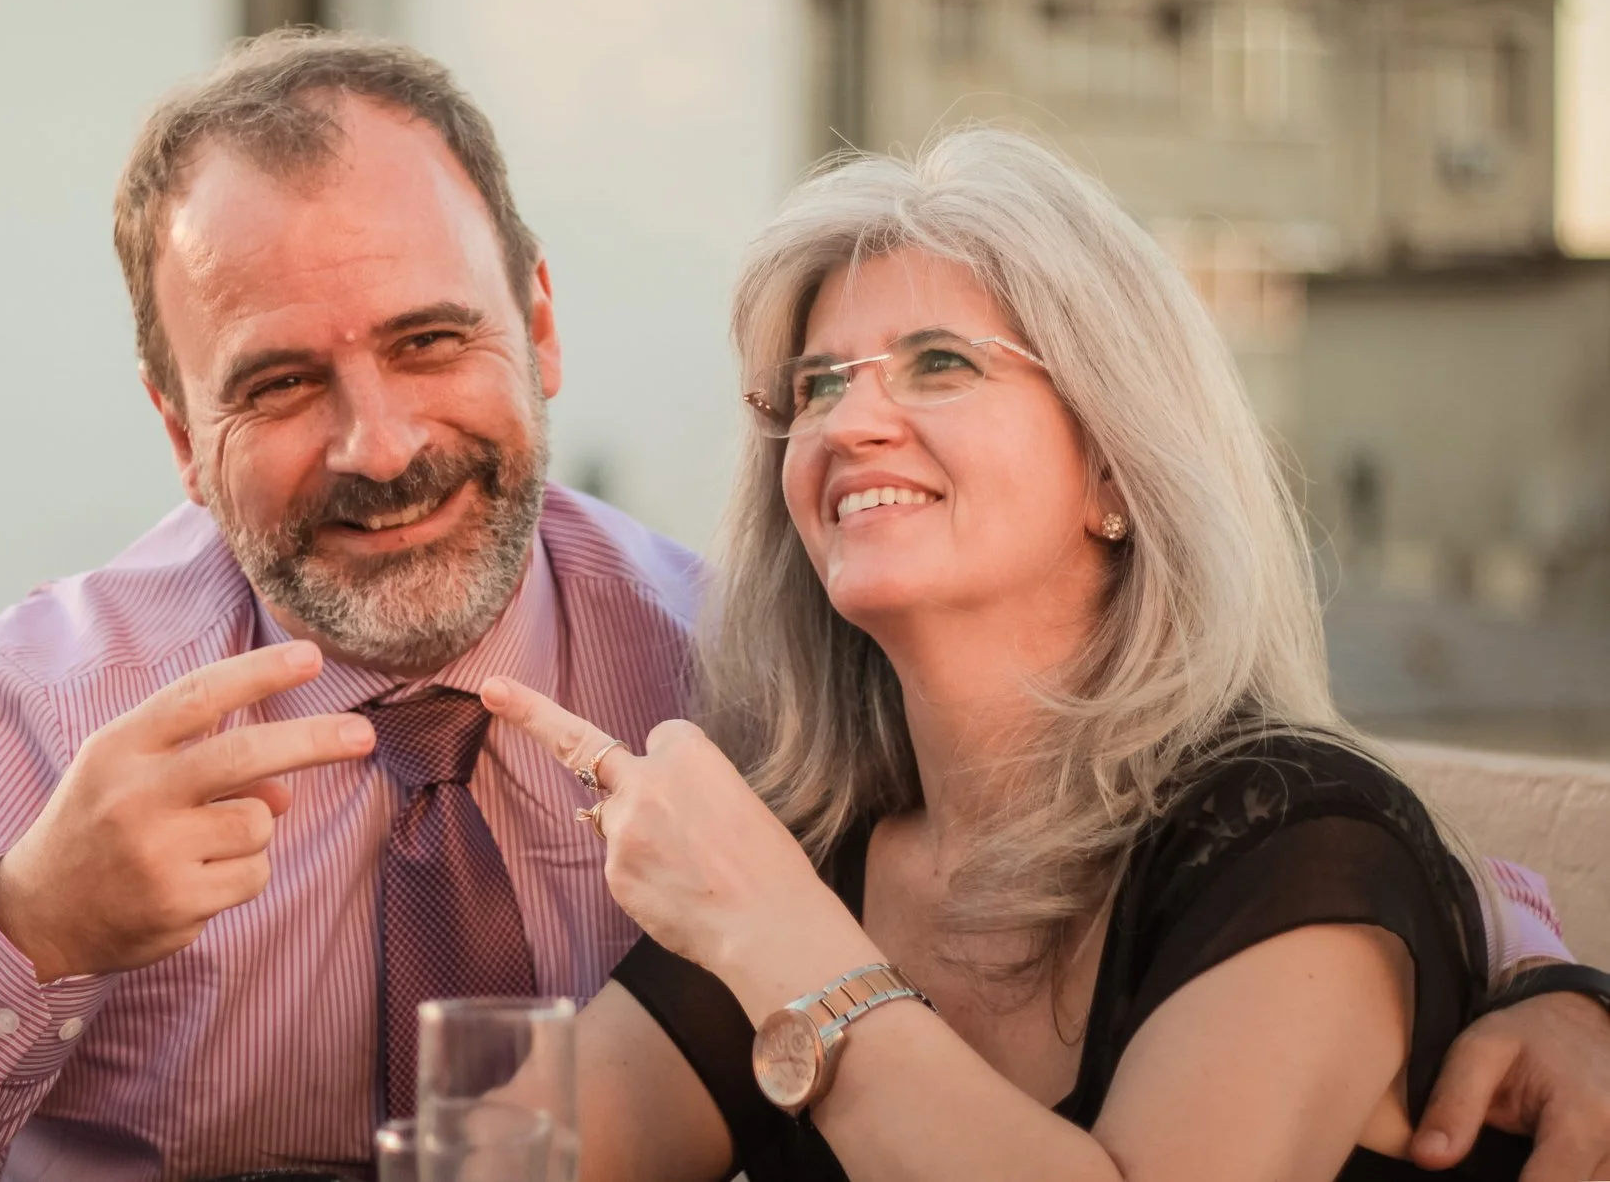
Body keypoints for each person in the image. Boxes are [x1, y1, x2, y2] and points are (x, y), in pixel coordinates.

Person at [0, 33, 1607, 1182]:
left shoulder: (724, 701)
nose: (381, 439)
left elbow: (1312, 851)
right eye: (277, 383)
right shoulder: (31, 709)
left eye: (432, 340)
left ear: (543, 330)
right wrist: (34, 928)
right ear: (180, 428)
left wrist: (1542, 976)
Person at [483, 127, 1610, 1182]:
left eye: (937, 362)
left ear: (1114, 470)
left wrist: (775, 938)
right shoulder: (827, 859)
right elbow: (500, 1155)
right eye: (817, 382)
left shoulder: (1296, 841)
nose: (845, 421)